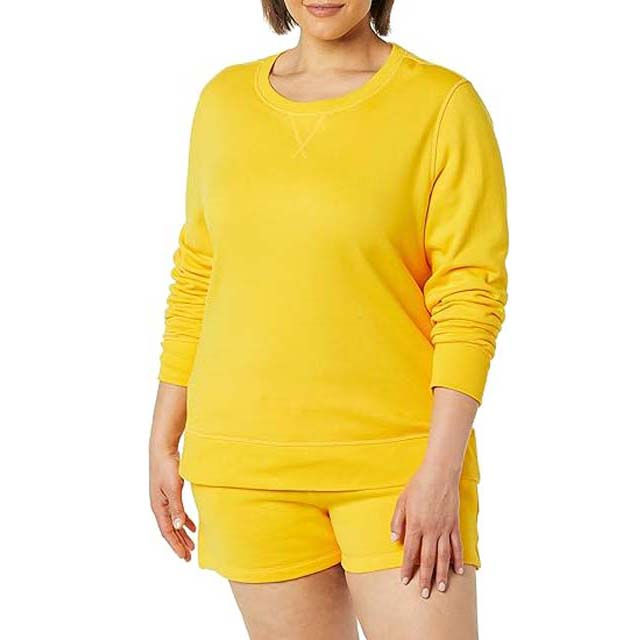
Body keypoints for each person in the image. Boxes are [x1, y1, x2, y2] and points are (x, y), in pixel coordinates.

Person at [148, 1, 508, 637]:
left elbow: (469, 295)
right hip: (247, 467)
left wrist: (442, 471)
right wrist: (163, 436)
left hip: (399, 466)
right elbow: (199, 274)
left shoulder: (442, 106)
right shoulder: (223, 103)